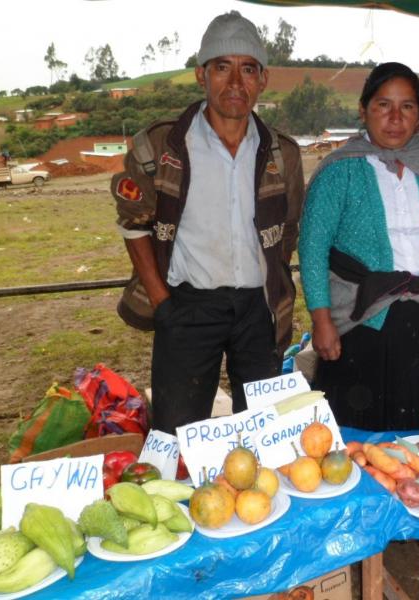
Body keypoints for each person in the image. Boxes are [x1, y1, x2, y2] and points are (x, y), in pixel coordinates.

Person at [111, 11, 304, 433]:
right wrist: (164, 303)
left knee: (262, 432)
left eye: (247, 69)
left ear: (262, 79)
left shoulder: (281, 154)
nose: (236, 83)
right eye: (222, 67)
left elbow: (288, 229)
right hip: (187, 306)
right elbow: (133, 223)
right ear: (202, 75)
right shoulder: (161, 146)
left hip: (259, 310)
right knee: (177, 432)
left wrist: (271, 286)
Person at [299, 62, 419, 431]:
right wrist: (321, 320)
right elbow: (312, 248)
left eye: (407, 107)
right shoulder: (340, 170)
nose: (394, 118)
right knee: (365, 435)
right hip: (362, 320)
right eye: (383, 105)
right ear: (363, 109)